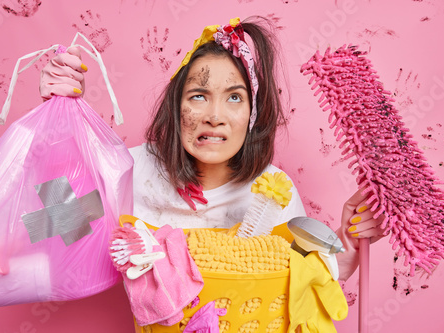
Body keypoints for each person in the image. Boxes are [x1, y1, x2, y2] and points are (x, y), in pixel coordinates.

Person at [39, 16, 386, 281]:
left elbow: (305, 284)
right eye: (199, 96)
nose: (215, 116)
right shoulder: (131, 171)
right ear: (176, 108)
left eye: (234, 97)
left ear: (252, 114)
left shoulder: (273, 192)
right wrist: (57, 119)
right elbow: (52, 229)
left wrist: (345, 245)